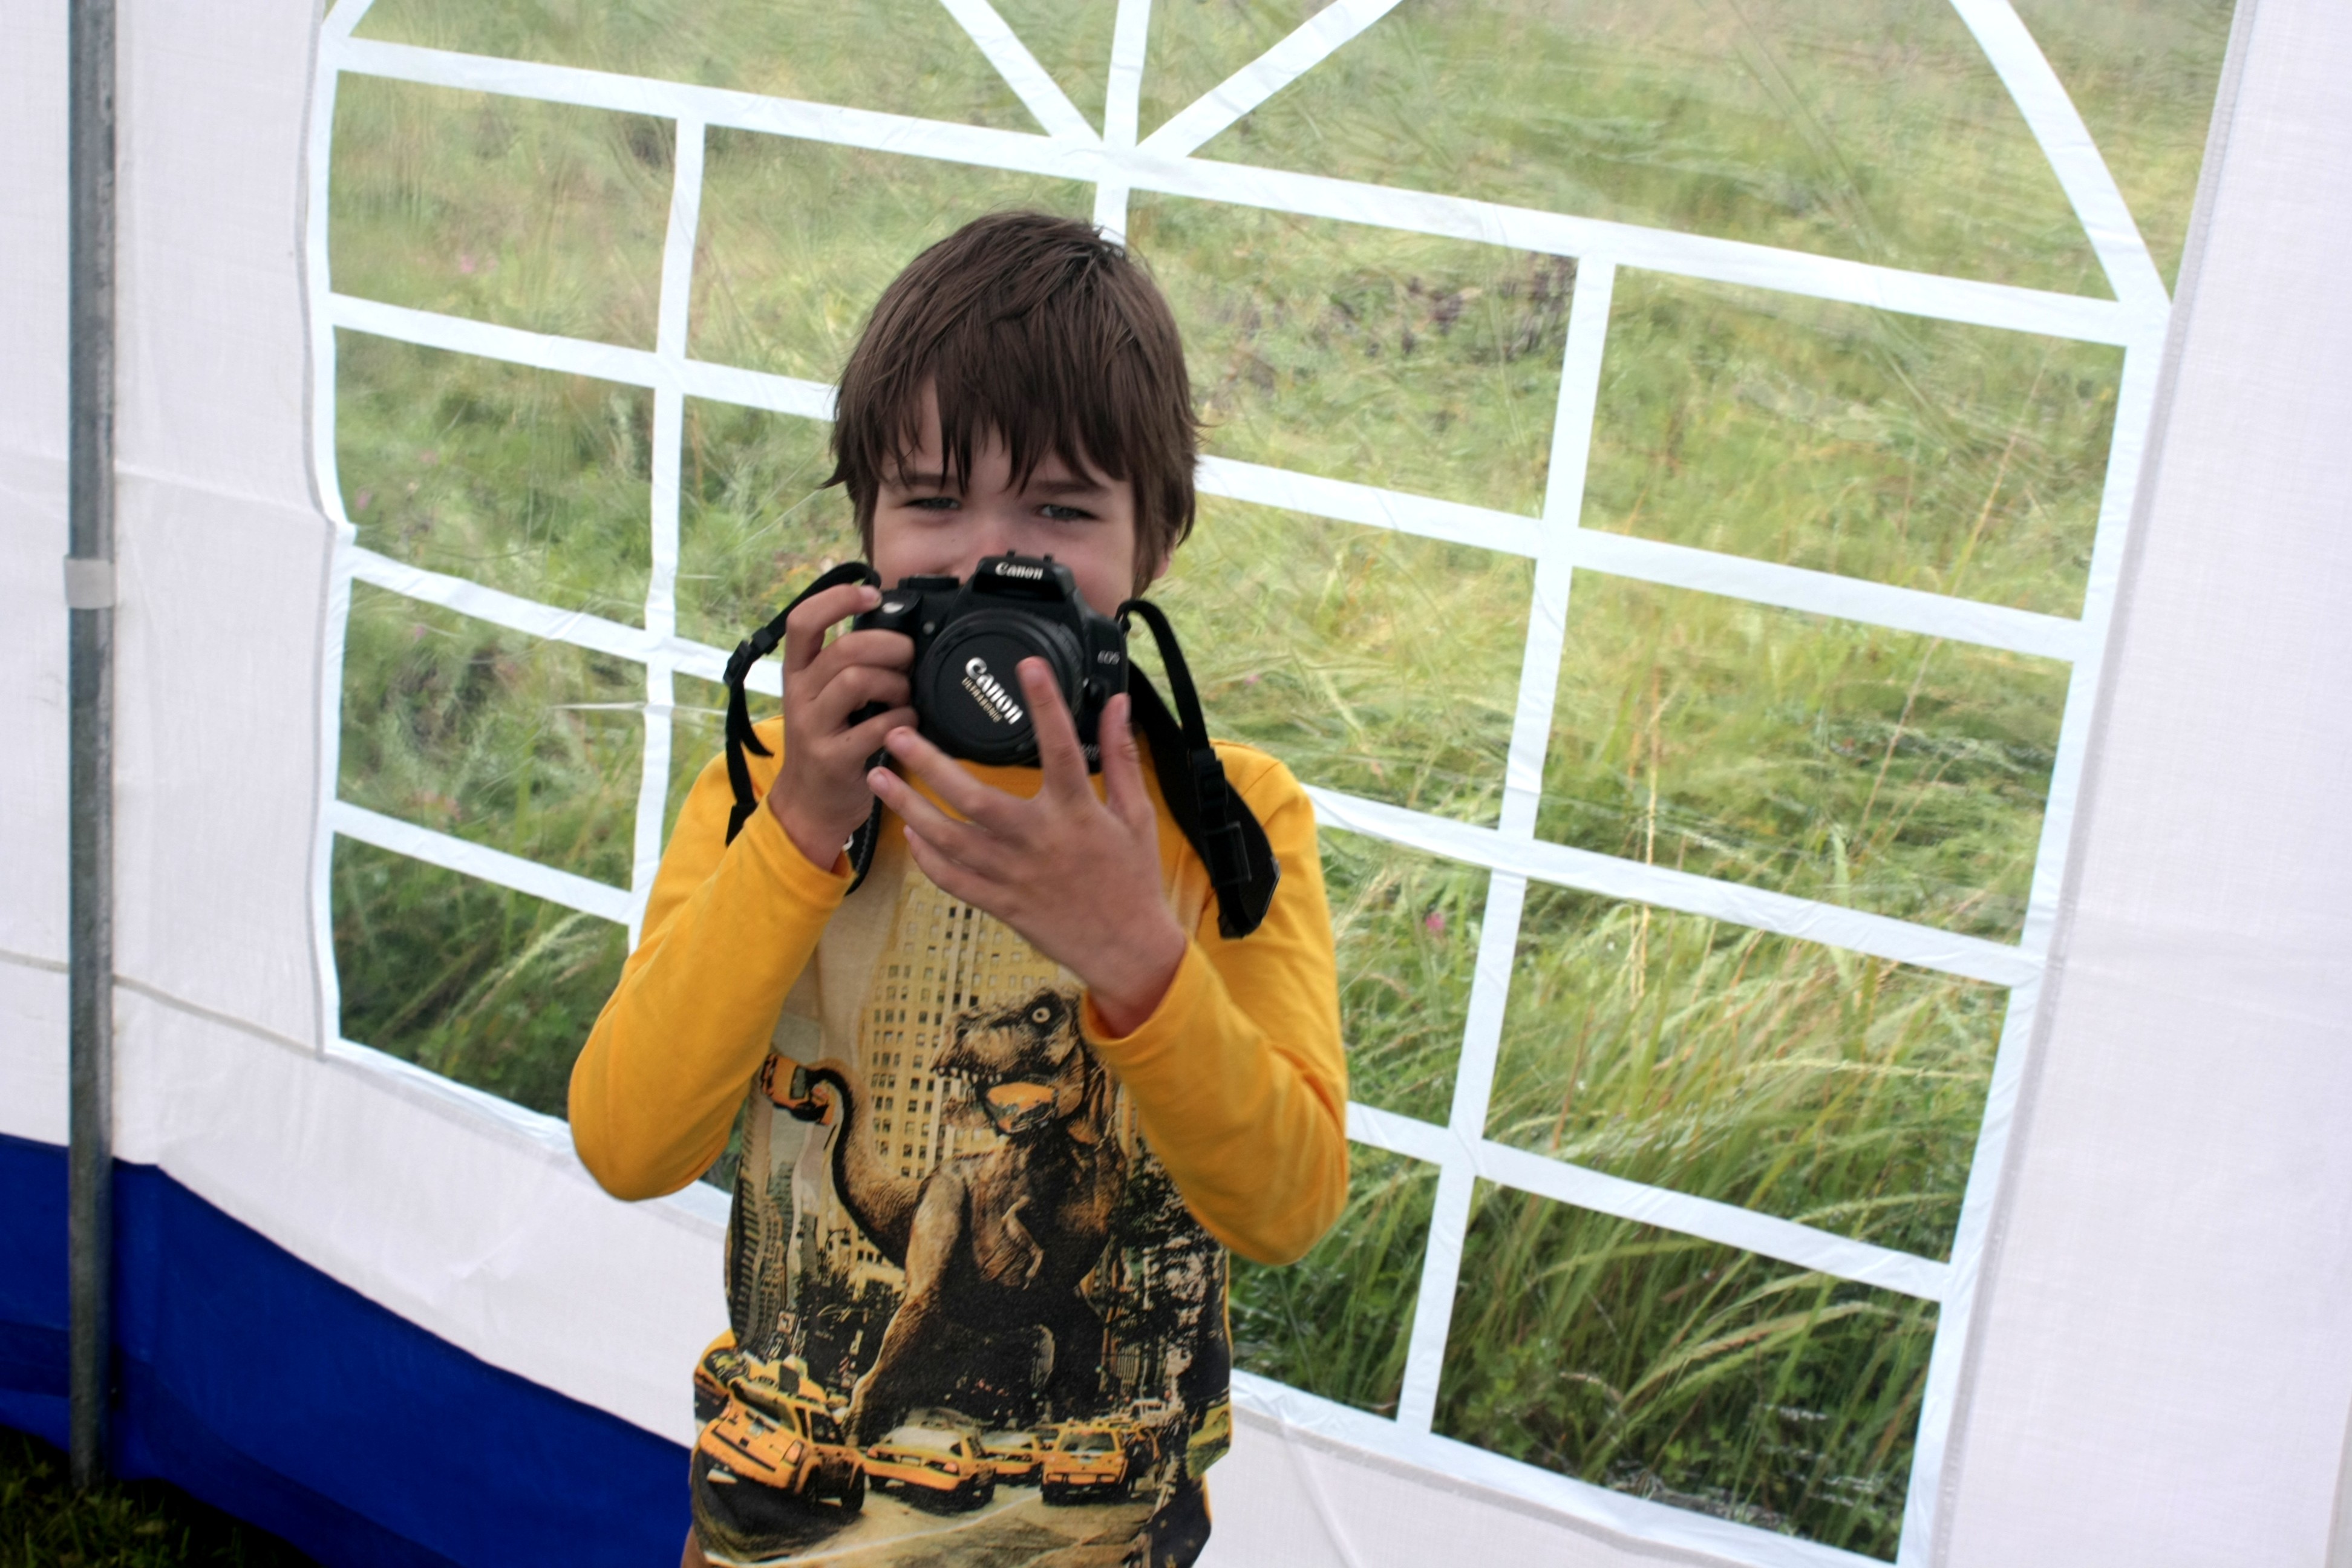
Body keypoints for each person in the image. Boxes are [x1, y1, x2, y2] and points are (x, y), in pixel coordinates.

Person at [568, 211, 1347, 1568]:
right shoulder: (772, 790)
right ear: (866, 526)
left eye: (1061, 510)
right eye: (932, 500)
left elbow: (1285, 1210)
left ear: (1155, 543)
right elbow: (629, 1149)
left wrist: (1137, 953)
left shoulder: (1223, 824)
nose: (991, 557)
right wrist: (800, 831)